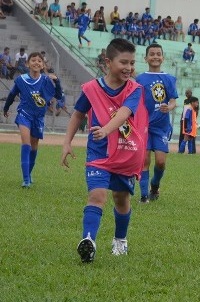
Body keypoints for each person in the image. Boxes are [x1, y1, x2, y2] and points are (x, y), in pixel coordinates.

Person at [61, 38, 148, 263]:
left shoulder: (135, 89)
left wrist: (107, 130)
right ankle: (88, 241)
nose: (129, 68)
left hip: (126, 153)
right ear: (108, 62)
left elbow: (124, 113)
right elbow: (78, 114)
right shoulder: (91, 89)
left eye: (132, 63)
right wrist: (67, 142)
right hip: (98, 153)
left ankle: (120, 240)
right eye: (123, 62)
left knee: (121, 198)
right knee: (96, 195)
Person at [3, 52, 63, 187]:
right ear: (27, 63)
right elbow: (12, 94)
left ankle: (29, 174)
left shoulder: (46, 80)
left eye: (39, 61)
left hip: (39, 118)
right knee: (26, 143)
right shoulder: (21, 80)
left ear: (43, 65)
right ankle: (25, 180)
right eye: (33, 60)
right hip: (24, 114)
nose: (36, 62)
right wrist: (6, 108)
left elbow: (58, 95)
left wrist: (57, 81)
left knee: (34, 146)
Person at [135, 43, 178, 203]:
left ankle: (155, 185)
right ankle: (144, 196)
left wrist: (170, 106)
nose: (155, 56)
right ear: (146, 58)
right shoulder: (139, 79)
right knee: (144, 160)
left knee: (160, 162)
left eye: (158, 54)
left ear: (163, 57)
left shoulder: (169, 78)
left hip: (161, 127)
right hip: (144, 126)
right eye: (152, 54)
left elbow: (173, 100)